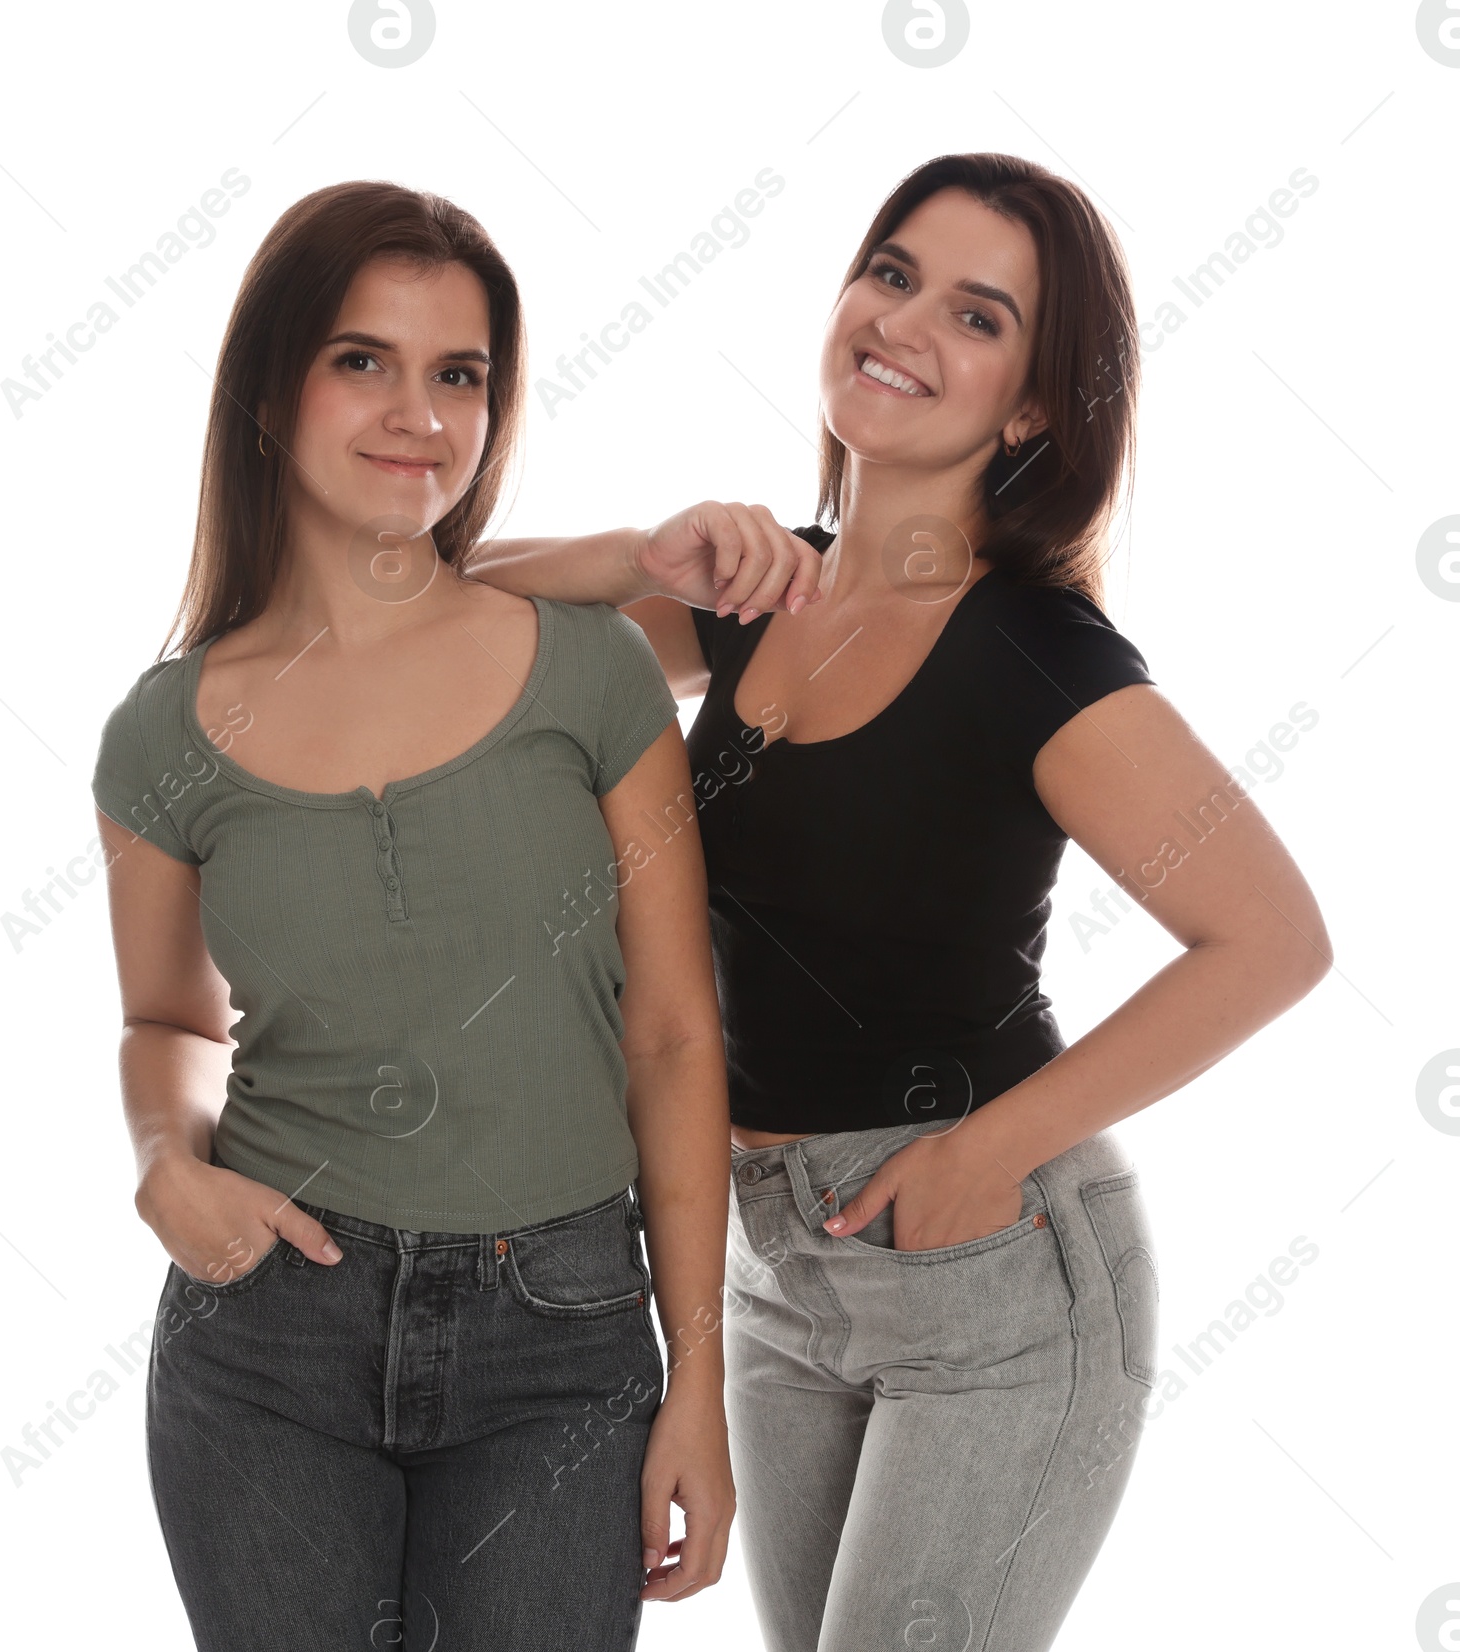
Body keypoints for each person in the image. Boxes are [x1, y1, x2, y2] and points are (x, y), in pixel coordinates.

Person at [466, 152, 1332, 1650]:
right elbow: (422, 627)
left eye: (980, 316)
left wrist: (988, 1151)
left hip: (991, 1274)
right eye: (893, 273)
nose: (908, 323)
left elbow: (1272, 940)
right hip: (775, 1268)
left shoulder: (1034, 656)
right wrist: (635, 552)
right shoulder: (758, 596)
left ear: (1038, 405)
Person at [90, 180, 734, 1652]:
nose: (419, 414)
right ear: (271, 390)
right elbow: (164, 1017)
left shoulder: (596, 675)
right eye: (361, 360)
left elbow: (677, 1034)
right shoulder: (162, 735)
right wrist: (158, 1165)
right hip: (266, 1330)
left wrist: (695, 1376)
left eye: (461, 375)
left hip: (563, 1341)